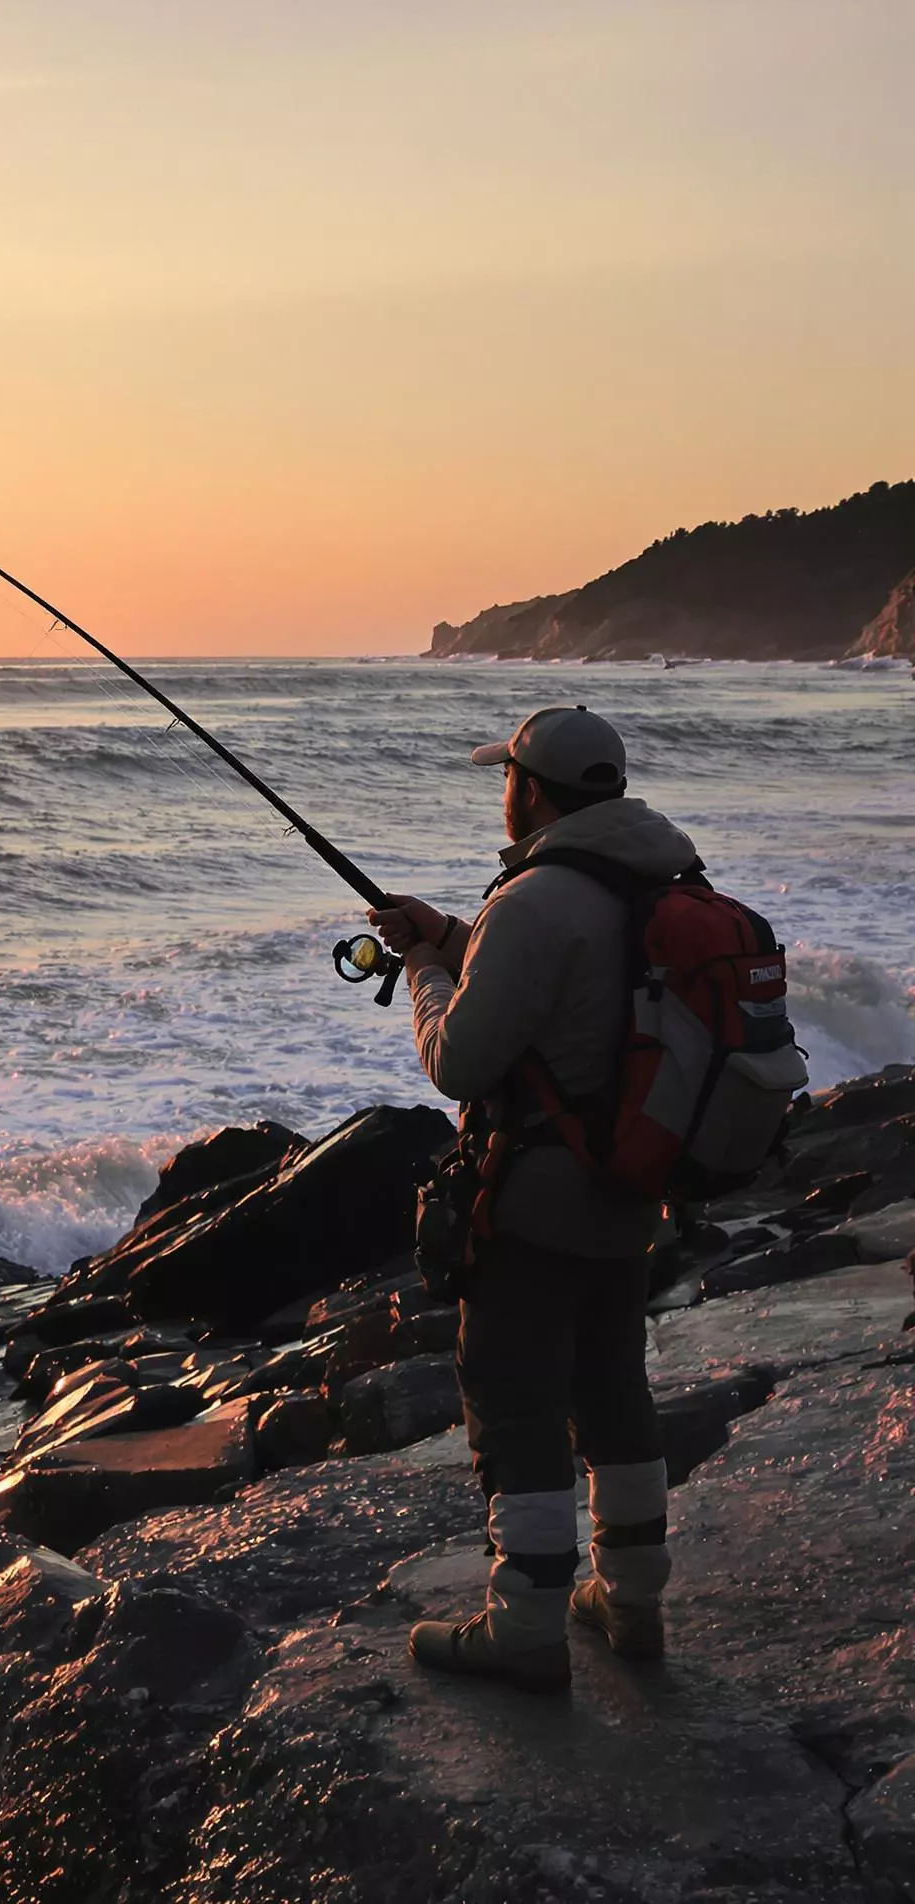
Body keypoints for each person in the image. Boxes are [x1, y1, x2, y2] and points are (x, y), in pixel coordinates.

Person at [368, 705, 691, 1695]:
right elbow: (578, 986)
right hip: (631, 1182)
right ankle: (630, 1604)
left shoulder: (537, 895)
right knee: (610, 1390)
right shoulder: (654, 876)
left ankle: (523, 1628)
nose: (499, 791)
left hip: (536, 1194)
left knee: (513, 1405)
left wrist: (423, 968)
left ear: (531, 789)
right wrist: (452, 933)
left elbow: (460, 1059)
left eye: (504, 776)